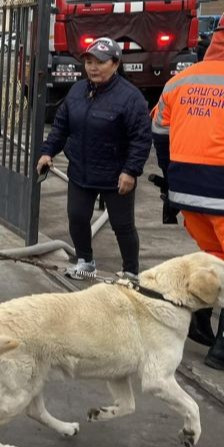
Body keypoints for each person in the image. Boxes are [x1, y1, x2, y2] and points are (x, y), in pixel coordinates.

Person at [152, 4, 224, 374]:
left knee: (212, 259)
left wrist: (172, 176)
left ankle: (198, 323)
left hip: (188, 192)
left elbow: (159, 131)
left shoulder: (181, 80)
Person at [36, 37, 151, 280]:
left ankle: (131, 272)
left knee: (122, 226)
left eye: (100, 62)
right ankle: (85, 262)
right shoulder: (78, 90)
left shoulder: (130, 98)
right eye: (88, 61)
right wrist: (47, 152)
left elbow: (141, 139)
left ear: (115, 63)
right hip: (81, 170)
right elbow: (60, 126)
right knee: (77, 218)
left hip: (115, 175)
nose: (92, 67)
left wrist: (130, 171)